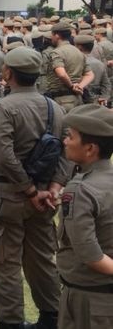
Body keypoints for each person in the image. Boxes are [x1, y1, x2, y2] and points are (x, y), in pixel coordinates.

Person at [0, 47, 71, 329]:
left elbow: (4, 155)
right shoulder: (54, 107)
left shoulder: (5, 107)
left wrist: (29, 190)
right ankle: (51, 316)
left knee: (5, 261)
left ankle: (10, 322)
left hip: (11, 194)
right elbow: (65, 151)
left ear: (8, 73)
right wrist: (54, 187)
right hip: (45, 196)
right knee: (43, 259)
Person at [57, 104, 113, 329]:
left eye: (70, 136)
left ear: (90, 149)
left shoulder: (81, 189)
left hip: (89, 300)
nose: (65, 141)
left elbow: (89, 254)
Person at [46, 22, 93, 112]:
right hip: (77, 99)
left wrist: (71, 86)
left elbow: (62, 74)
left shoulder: (56, 52)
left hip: (61, 100)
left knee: (62, 125)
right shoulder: (78, 51)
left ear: (57, 35)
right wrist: (79, 87)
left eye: (52, 34)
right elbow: (89, 74)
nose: (51, 37)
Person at [75, 34, 110, 105]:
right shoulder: (99, 63)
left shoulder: (75, 62)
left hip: (78, 99)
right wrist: (104, 97)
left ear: (79, 47)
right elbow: (106, 84)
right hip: (96, 101)